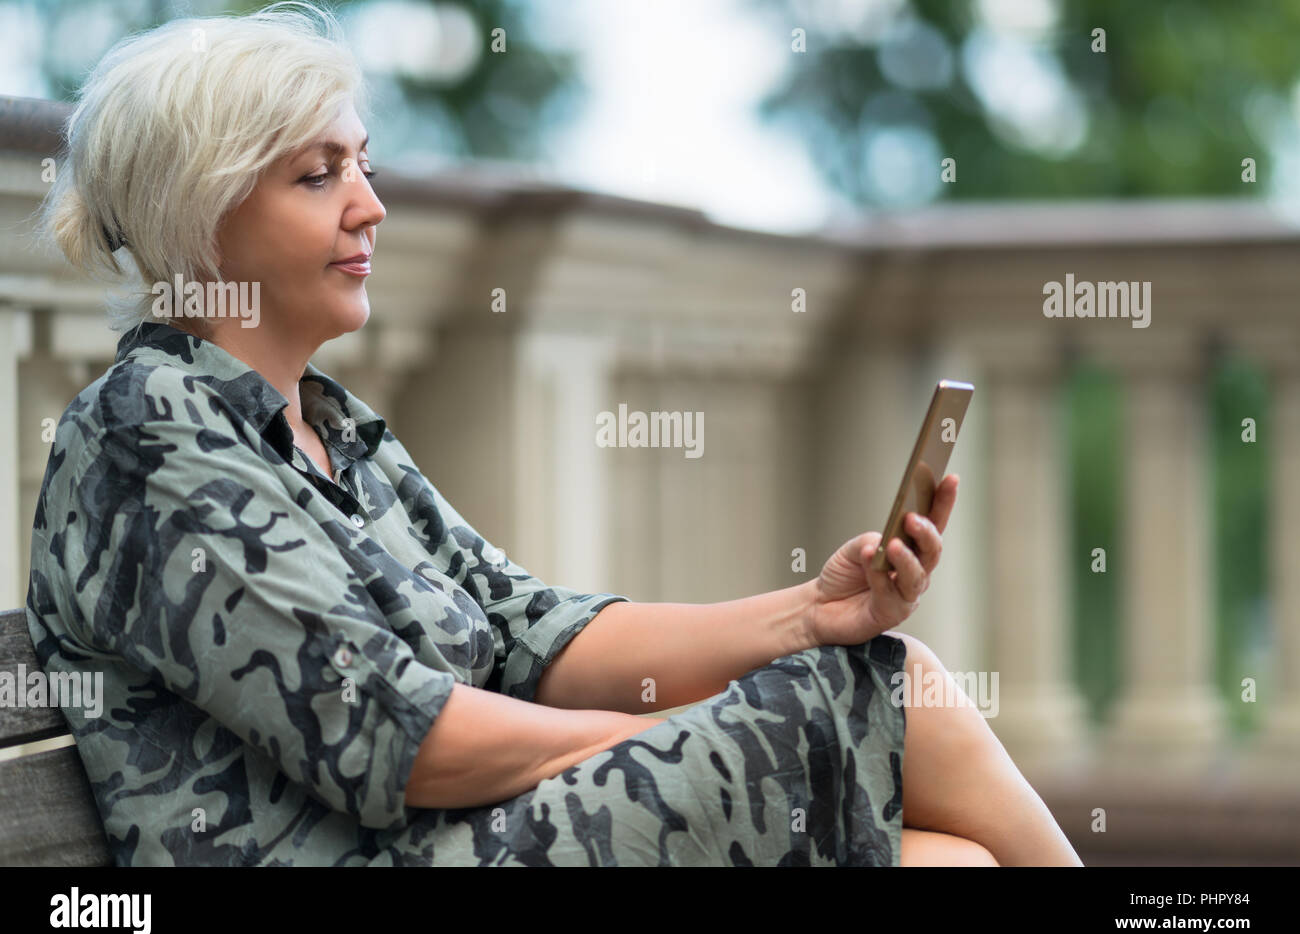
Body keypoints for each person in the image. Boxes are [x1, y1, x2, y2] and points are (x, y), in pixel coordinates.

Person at [26, 1, 1082, 866]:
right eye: (319, 175)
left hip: (460, 841)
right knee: (891, 698)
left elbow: (542, 637)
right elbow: (408, 742)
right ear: (199, 211)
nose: (370, 208)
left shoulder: (333, 428)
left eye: (365, 167)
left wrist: (813, 614)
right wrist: (699, 737)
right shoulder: (146, 431)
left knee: (948, 853)